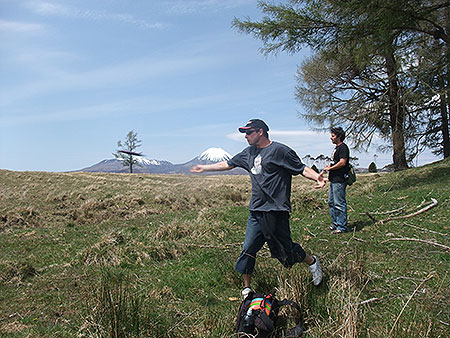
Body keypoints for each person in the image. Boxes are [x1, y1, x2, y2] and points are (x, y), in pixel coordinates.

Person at [190, 119, 325, 299]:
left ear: (260, 132)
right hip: (256, 209)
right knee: (249, 247)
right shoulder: (248, 153)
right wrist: (204, 168)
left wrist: (318, 177)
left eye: (249, 132)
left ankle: (312, 262)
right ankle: (247, 288)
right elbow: (229, 163)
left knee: (284, 249)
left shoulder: (280, 151)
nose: (245, 136)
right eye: (244, 133)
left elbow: (301, 168)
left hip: (277, 210)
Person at [324, 127, 350, 234]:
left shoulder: (343, 147)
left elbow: (343, 162)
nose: (331, 138)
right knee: (331, 202)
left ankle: (342, 227)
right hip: (333, 179)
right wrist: (330, 165)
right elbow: (336, 161)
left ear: (339, 137)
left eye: (333, 136)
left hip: (339, 179)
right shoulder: (336, 148)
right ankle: (335, 224)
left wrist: (330, 168)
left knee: (339, 203)